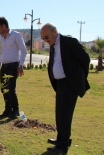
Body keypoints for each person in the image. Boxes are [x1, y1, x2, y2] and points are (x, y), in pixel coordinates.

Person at [40, 23, 90, 154]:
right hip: (60, 84)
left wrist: (78, 77)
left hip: (70, 84)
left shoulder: (69, 42)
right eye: (43, 38)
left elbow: (85, 59)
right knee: (59, 114)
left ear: (55, 32)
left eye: (46, 37)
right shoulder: (53, 45)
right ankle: (62, 139)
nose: (45, 40)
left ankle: (62, 147)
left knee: (65, 114)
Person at [0, 17, 27, 119]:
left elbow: (23, 51)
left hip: (14, 65)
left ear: (4, 26)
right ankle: (8, 109)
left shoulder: (16, 36)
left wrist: (20, 65)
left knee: (11, 89)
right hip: (4, 66)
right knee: (4, 88)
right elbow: (2, 52)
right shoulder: (1, 38)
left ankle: (15, 110)